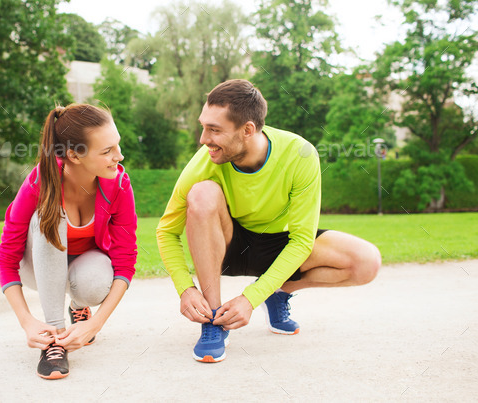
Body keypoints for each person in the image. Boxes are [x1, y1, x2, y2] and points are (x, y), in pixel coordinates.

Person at [156, 79, 381, 363]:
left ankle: (278, 292)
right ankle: (213, 320)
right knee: (202, 193)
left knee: (366, 262)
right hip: (229, 245)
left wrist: (252, 297)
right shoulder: (204, 162)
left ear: (248, 130)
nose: (203, 139)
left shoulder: (300, 154)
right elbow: (166, 231)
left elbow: (301, 240)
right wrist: (185, 288)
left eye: (214, 130)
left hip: (279, 245)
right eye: (203, 126)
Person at [0, 103, 137, 379]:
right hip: (36, 267)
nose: (119, 156)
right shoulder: (40, 182)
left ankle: (78, 309)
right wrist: (27, 322)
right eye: (107, 151)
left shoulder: (119, 184)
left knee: (96, 285)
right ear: (73, 155)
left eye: (117, 145)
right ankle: (54, 337)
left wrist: (95, 324)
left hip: (81, 267)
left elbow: (125, 262)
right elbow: (6, 259)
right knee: (49, 216)